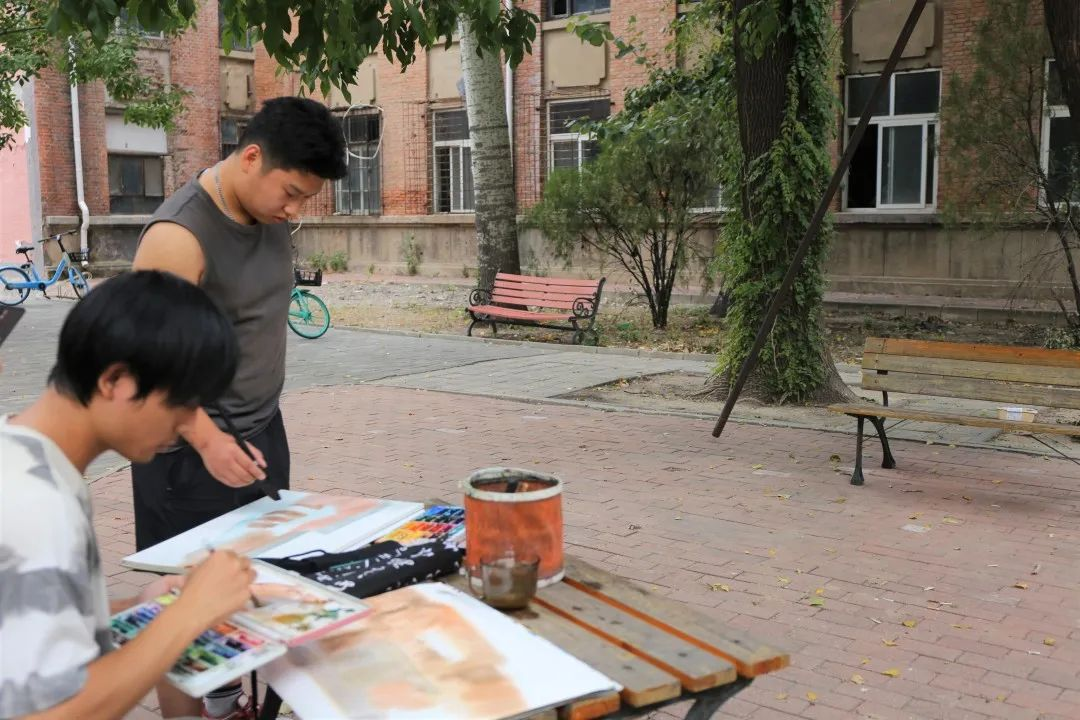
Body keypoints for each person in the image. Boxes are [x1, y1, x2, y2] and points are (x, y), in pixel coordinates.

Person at [131, 97, 346, 718]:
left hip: (260, 432)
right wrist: (206, 439)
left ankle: (233, 702)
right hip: (187, 452)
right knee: (183, 610)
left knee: (258, 591)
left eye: (306, 199)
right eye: (292, 193)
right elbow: (147, 359)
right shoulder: (178, 237)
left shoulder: (269, 212)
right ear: (251, 158)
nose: (295, 210)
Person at [0, 271, 257, 720]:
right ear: (116, 381)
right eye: (180, 403)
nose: (185, 423)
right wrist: (188, 614)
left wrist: (136, 608)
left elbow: (25, 622)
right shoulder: (36, 503)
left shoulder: (23, 456)